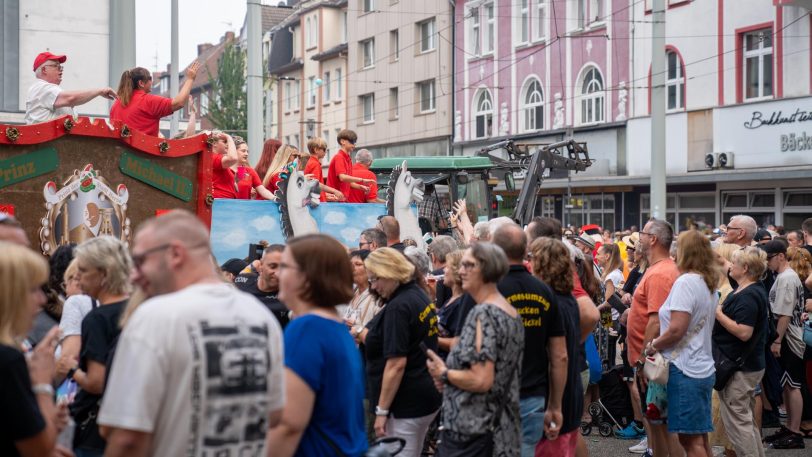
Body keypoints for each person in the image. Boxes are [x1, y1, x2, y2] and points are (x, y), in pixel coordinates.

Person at [98, 210, 284, 456]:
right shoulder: (261, 318)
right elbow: (274, 414)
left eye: (141, 260)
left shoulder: (156, 316)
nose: (134, 274)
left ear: (175, 254)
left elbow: (127, 438)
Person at [266, 235, 368, 456]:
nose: (277, 273)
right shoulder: (335, 326)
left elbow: (288, 424)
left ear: (306, 276)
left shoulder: (307, 328)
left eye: (284, 266)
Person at [425, 242, 524, 457]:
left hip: (474, 431)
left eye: (468, 265)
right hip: (498, 428)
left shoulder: (484, 314)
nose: (461, 271)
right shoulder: (508, 310)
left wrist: (444, 373)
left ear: (486, 269)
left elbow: (481, 379)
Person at [645, 230, 721, 457]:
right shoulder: (708, 284)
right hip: (701, 366)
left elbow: (677, 329)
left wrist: (653, 344)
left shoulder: (686, 282)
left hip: (685, 368)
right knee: (699, 437)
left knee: (690, 440)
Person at [492, 224, 567, 457]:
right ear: (526, 250)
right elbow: (560, 355)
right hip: (533, 395)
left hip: (494, 394)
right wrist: (555, 405)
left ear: (496, 250)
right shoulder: (544, 292)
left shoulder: (489, 289)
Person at [360, 248, 441, 457]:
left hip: (405, 403)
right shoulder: (417, 294)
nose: (374, 286)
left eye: (375, 279)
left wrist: (382, 411)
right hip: (423, 395)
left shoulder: (399, 306)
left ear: (390, 273)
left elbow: (396, 364)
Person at [0, 241, 67, 456]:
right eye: (34, 289)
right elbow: (39, 448)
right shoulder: (8, 360)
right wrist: (42, 386)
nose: (41, 299)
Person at [68, 236, 132, 457]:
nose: (77, 276)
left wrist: (72, 369)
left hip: (94, 430)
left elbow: (96, 382)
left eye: (83, 270)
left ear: (104, 274)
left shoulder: (96, 320)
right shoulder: (139, 309)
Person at [627, 219, 682, 457]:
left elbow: (657, 321)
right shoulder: (656, 268)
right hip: (650, 360)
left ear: (653, 239)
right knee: (657, 424)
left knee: (665, 427)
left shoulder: (660, 272)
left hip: (653, 362)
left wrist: (641, 358)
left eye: (642, 233)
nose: (638, 237)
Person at [528, 237, 584, 456]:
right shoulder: (568, 298)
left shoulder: (550, 301)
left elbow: (558, 356)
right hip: (570, 388)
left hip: (557, 394)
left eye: (531, 258)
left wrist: (553, 405)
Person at [713, 246, 768, 457]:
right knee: (745, 420)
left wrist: (718, 313)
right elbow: (724, 264)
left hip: (741, 367)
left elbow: (744, 332)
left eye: (735, 263)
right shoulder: (749, 286)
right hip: (745, 365)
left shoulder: (749, 295)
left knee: (738, 424)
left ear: (745, 268)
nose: (730, 266)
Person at [762, 240, 807, 449]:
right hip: (787, 336)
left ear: (780, 256)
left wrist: (777, 340)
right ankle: (790, 427)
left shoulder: (787, 278)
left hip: (789, 337)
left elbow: (785, 314)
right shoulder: (783, 277)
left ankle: (795, 431)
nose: (767, 263)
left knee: (793, 385)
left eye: (769, 258)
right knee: (788, 386)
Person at [109, 63, 200, 136]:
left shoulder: (115, 105)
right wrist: (190, 79)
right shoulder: (147, 101)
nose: (152, 81)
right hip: (143, 155)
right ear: (141, 83)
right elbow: (179, 103)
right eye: (150, 78)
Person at [25, 51, 116, 124]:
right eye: (56, 66)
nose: (61, 70)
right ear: (44, 70)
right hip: (45, 144)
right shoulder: (41, 87)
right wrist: (100, 91)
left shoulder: (48, 89)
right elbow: (71, 98)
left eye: (61, 67)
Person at [55, 258, 94, 382]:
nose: (65, 293)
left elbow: (68, 357)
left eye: (66, 284)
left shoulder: (75, 302)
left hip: (76, 390)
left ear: (76, 280)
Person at [235, 245, 289, 328]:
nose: (278, 273)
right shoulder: (242, 281)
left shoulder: (290, 298)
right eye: (273, 266)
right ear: (261, 266)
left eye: (283, 267)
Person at [327, 129, 375, 199]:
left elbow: (349, 182)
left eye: (355, 142)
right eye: (352, 141)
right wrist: (362, 180)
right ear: (342, 141)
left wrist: (360, 187)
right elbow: (342, 177)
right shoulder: (339, 157)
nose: (354, 145)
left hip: (340, 199)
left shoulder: (348, 159)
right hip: (334, 199)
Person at [345, 249, 380, 341]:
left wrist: (357, 330)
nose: (352, 268)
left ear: (370, 269)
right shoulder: (352, 293)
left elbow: (379, 334)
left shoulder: (378, 297)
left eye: (358, 264)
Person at [232, 136, 277, 200]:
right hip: (228, 207)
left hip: (245, 208)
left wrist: (274, 198)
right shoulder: (225, 170)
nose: (246, 154)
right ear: (233, 151)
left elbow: (262, 190)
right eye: (243, 151)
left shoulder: (249, 171)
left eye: (247, 151)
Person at [303, 137, 345, 201]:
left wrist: (325, 195)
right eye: (324, 149)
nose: (325, 152)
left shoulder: (310, 162)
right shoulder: (315, 164)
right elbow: (316, 184)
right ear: (316, 150)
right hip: (316, 203)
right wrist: (335, 191)